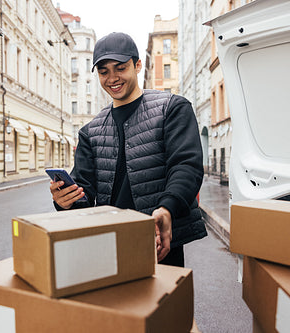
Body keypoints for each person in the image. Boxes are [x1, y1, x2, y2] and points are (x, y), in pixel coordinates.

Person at [50, 32, 207, 267]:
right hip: (108, 244)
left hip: (159, 243)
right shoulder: (89, 131)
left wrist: (166, 209)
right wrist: (65, 200)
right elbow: (85, 192)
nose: (112, 78)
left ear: (138, 65)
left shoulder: (172, 109)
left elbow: (186, 166)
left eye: (120, 68)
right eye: (104, 72)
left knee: (164, 303)